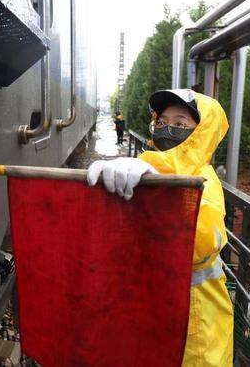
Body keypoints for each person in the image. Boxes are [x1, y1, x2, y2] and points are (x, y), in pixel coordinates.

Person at [87, 89, 233, 367]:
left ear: (203, 131)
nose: (168, 129)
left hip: (195, 327)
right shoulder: (154, 169)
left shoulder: (203, 182)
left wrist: (158, 194)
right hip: (161, 308)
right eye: (163, 121)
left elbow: (198, 246)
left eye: (180, 124)